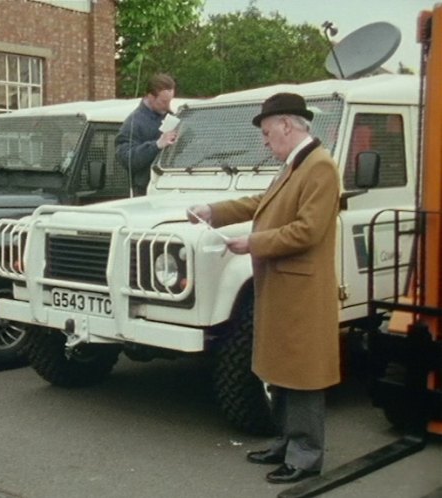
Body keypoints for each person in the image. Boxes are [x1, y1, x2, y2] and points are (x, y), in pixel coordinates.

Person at [188, 93, 341, 484]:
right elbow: (263, 202)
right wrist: (215, 211)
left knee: (302, 374)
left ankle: (306, 455)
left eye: (268, 131)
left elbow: (307, 231)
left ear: (287, 126)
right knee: (282, 369)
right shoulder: (298, 164)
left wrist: (251, 243)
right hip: (283, 286)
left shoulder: (320, 168)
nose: (265, 140)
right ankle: (287, 441)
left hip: (301, 292)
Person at [115, 73, 179, 196]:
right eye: (164, 102)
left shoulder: (172, 117)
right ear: (150, 97)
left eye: (170, 101)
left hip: (170, 188)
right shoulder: (134, 123)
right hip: (145, 192)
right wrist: (157, 145)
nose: (168, 106)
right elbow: (126, 159)